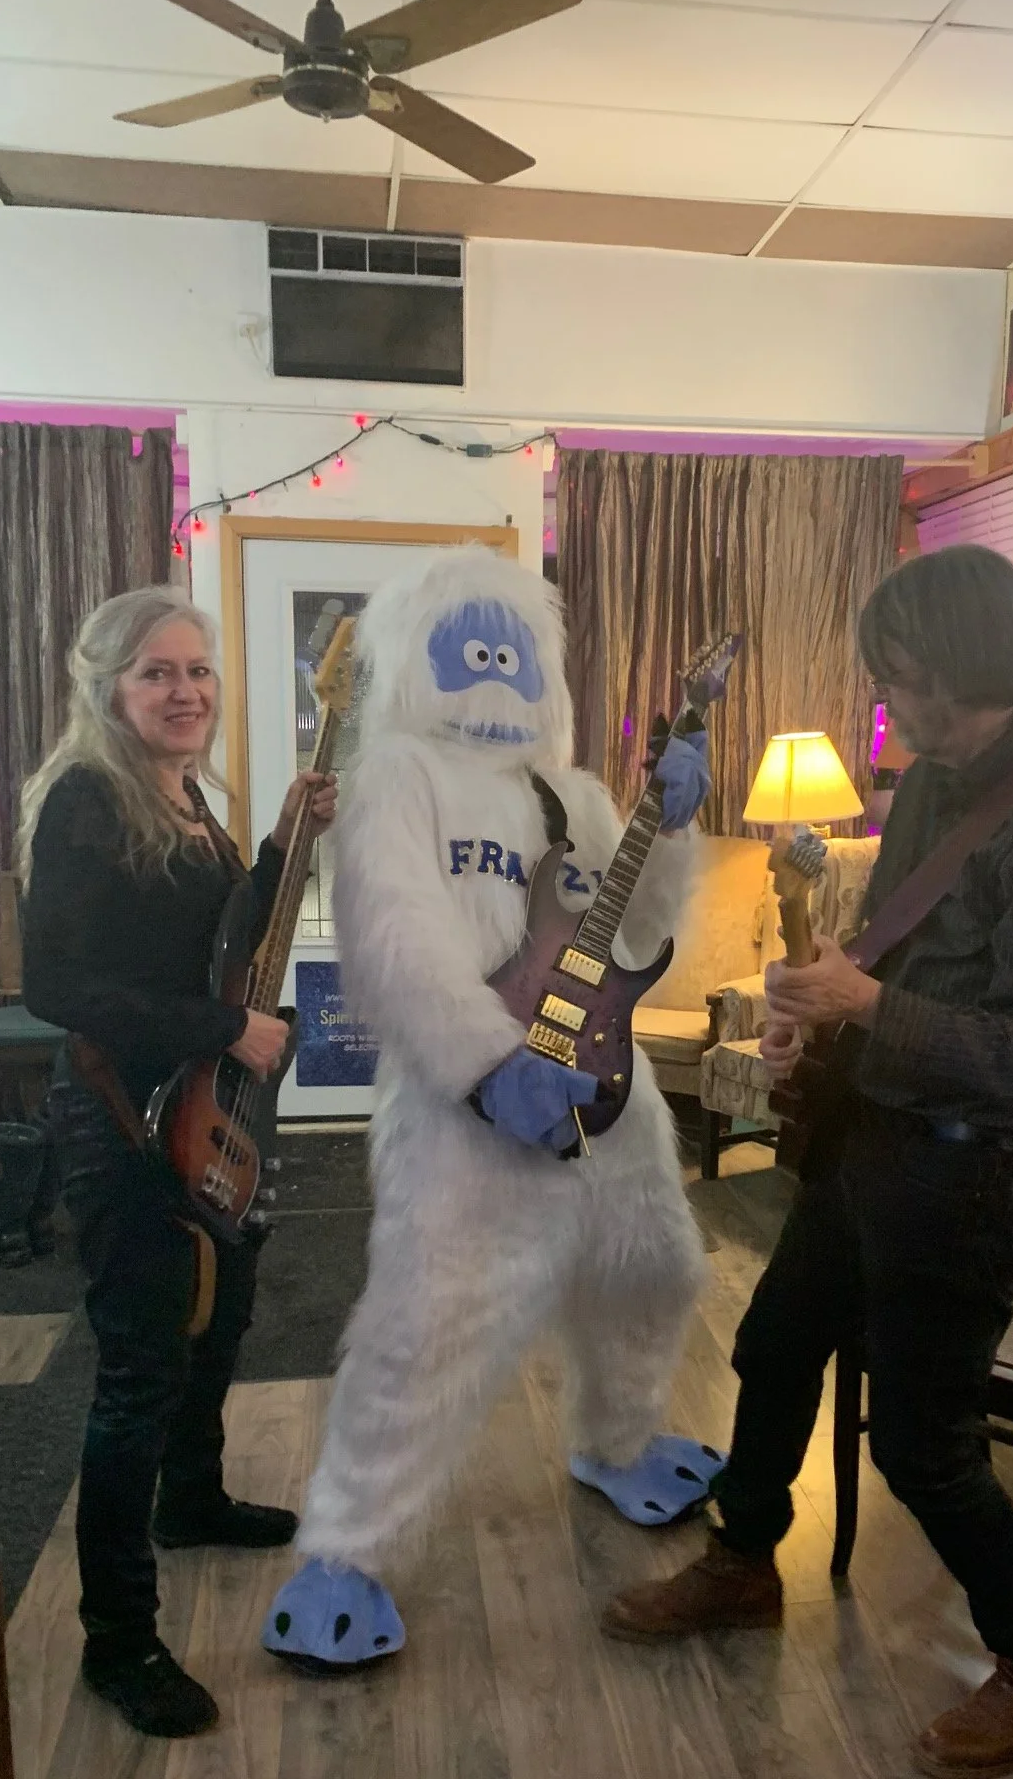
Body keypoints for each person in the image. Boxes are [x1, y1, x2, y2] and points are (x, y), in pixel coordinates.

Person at [602, 546, 1013, 1779]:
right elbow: (896, 950)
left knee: (924, 1441)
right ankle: (748, 1562)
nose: (886, 705)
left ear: (973, 664)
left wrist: (868, 1004)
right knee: (772, 1347)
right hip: (877, 1138)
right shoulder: (931, 779)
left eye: (902, 679)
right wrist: (826, 1002)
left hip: (973, 1174)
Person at [259, 545, 718, 1671]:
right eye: (472, 644)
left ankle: (618, 1439)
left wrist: (677, 818)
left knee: (652, 1268)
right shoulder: (395, 780)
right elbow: (396, 942)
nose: (496, 665)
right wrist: (484, 1062)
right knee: (432, 1324)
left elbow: (645, 924)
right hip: (466, 1109)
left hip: (608, 1090)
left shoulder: (572, 794)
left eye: (513, 646)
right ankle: (344, 1549)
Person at [20, 585, 336, 1738]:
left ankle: (191, 1500)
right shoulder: (86, 803)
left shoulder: (187, 798)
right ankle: (120, 1642)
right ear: (108, 685)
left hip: (200, 1108)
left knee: (224, 1313)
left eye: (197, 671)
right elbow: (56, 987)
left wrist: (280, 842)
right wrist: (220, 1033)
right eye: (158, 672)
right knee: (138, 1373)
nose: (186, 690)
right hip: (120, 1121)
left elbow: (214, 937)